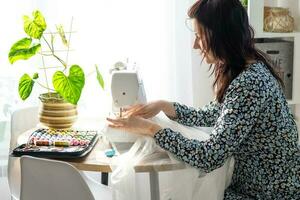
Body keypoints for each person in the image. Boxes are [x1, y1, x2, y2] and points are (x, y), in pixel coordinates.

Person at [106, 0, 300, 199]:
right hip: (255, 188)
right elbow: (211, 115)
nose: (195, 45)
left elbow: (208, 157)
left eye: (199, 36)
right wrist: (164, 106)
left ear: (220, 35)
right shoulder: (245, 69)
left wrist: (149, 128)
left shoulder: (250, 83)